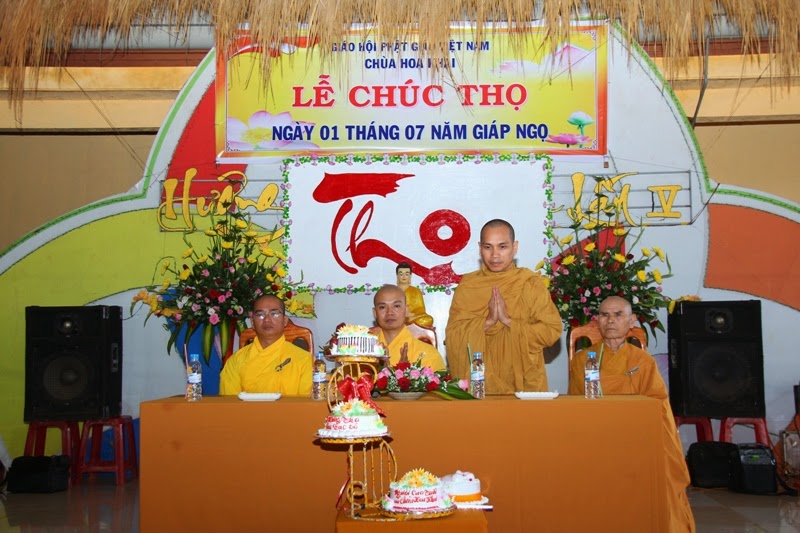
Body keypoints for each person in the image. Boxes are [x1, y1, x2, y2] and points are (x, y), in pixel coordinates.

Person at [568, 296, 695, 533]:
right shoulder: (583, 360)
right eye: (605, 315)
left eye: (618, 315)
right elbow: (576, 406)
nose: (610, 321)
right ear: (597, 320)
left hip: (637, 437)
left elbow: (658, 405)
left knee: (661, 470)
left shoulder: (643, 361)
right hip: (596, 437)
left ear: (632, 320)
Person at [445, 219, 562, 393]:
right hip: (480, 383)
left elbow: (551, 331)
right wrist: (488, 322)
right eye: (488, 247)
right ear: (480, 248)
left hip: (524, 383)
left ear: (515, 247)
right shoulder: (468, 286)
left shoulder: (530, 283)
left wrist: (508, 321)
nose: (495, 255)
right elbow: (452, 337)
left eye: (502, 247)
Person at [220, 294, 312, 396]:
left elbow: (306, 403)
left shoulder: (304, 360)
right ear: (252, 322)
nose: (267, 319)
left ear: (285, 320)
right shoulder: (235, 361)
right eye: (260, 315)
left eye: (274, 314)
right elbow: (229, 403)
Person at [372, 284, 446, 371]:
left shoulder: (429, 354)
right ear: (375, 313)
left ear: (406, 310)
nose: (389, 312)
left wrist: (407, 376)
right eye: (382, 307)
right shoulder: (363, 351)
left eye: (396, 306)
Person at [395, 262, 434, 327]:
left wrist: (412, 314)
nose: (404, 276)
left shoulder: (416, 291)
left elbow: (420, 308)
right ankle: (405, 320)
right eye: (401, 274)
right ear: (397, 275)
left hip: (412, 317)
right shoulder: (392, 291)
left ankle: (407, 320)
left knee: (429, 319)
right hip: (396, 317)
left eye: (406, 274)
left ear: (410, 276)